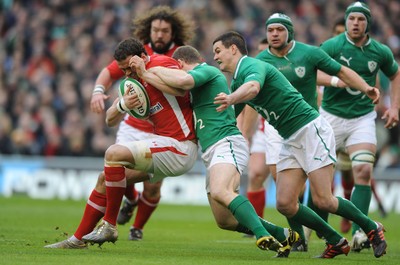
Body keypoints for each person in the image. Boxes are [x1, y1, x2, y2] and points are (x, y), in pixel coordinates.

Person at [212, 30, 387, 259]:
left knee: (324, 199)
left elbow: (253, 89)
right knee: (285, 204)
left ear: (233, 49)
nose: (215, 57)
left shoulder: (250, 66)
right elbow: (231, 118)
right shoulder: (237, 79)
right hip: (290, 137)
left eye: (218, 51)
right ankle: (336, 241)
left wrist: (232, 98)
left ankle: (372, 228)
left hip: (310, 130)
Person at [130, 45, 300, 257]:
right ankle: (284, 234)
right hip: (211, 150)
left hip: (226, 141)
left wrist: (146, 72)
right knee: (225, 221)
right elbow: (176, 89)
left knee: (221, 191)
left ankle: (261, 235)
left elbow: (182, 81)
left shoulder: (207, 70)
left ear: (180, 64)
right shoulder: (195, 87)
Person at [45, 38, 196, 249]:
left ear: (142, 57)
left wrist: (144, 73)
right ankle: (77, 240)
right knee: (104, 178)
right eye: (123, 69)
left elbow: (183, 86)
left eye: (129, 68)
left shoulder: (161, 63)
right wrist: (122, 104)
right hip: (165, 144)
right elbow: (109, 119)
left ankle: (110, 224)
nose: (126, 73)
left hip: (181, 145)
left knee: (113, 154)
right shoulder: (131, 82)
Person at [91, 5, 194, 241]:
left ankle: (137, 227)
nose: (159, 34)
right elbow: (109, 72)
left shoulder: (180, 55)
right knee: (117, 167)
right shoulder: (136, 52)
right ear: (149, 30)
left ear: (172, 32)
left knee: (153, 187)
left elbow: (187, 84)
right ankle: (130, 201)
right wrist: (98, 91)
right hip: (133, 126)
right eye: (155, 30)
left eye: (164, 31)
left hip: (164, 131)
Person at [319, 1, 400, 252]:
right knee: (320, 176)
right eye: (352, 18)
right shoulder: (332, 46)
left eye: (361, 19)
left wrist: (395, 107)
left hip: (362, 118)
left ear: (368, 23)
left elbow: (395, 74)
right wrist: (335, 80)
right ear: (346, 20)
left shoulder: (380, 51)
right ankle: (324, 232)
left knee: (363, 171)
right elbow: (313, 72)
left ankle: (360, 233)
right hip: (330, 116)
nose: (356, 23)